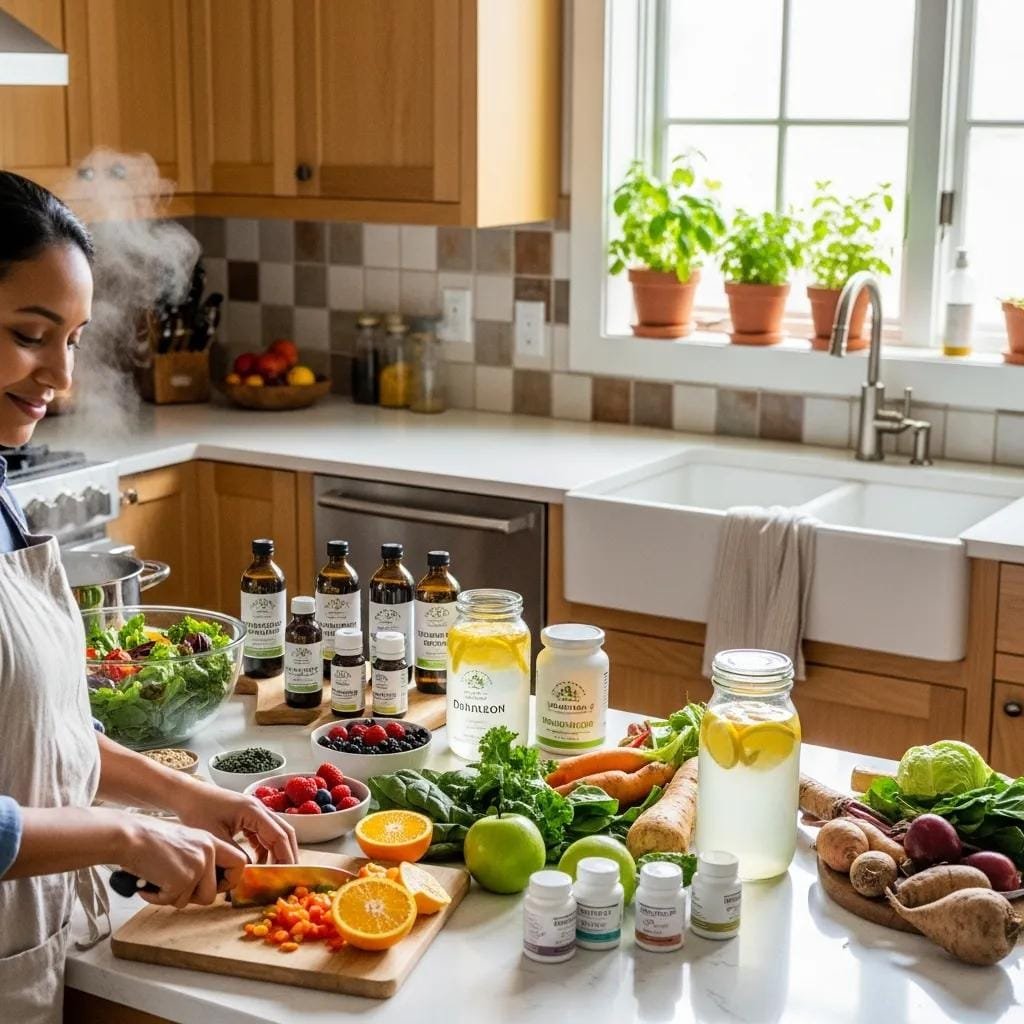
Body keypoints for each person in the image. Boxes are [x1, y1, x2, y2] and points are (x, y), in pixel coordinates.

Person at [0, 171, 298, 1022]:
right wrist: (128, 832)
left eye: (74, 338)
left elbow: (42, 734)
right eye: (31, 334)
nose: (61, 373)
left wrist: (186, 796)